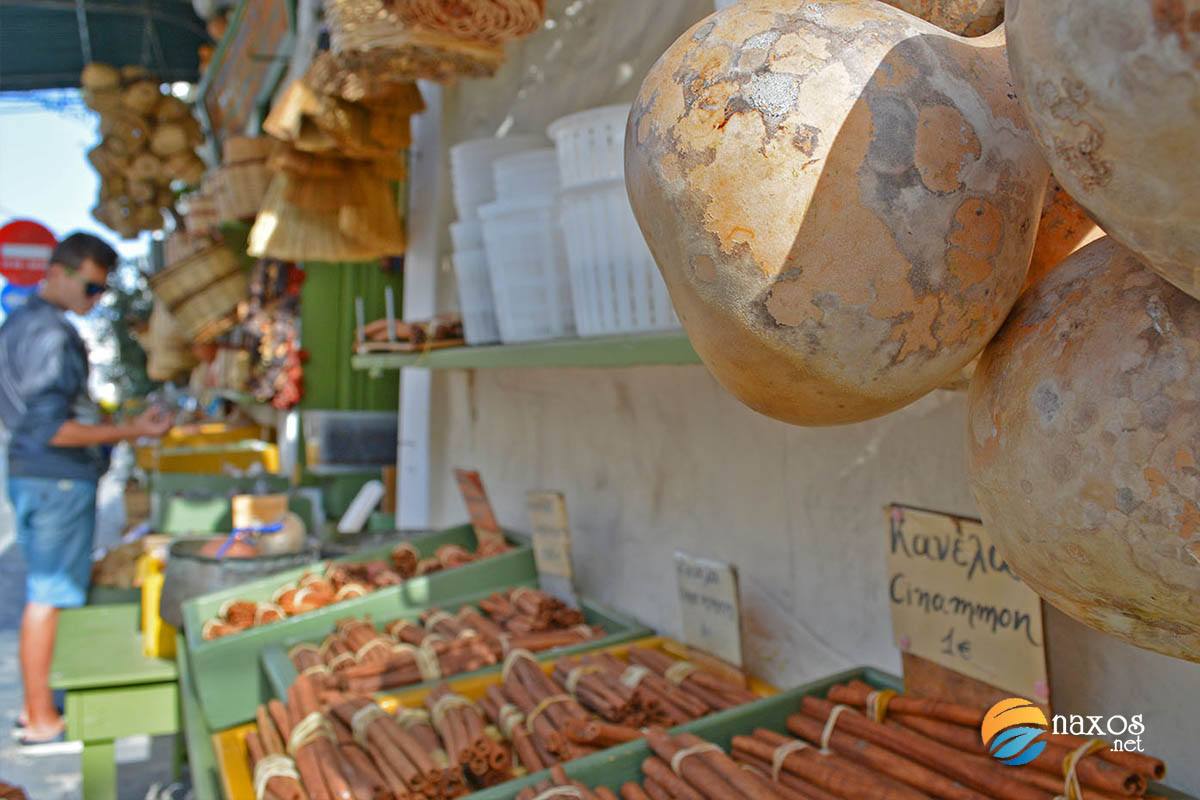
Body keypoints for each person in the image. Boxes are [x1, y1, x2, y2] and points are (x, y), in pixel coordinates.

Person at [0, 232, 173, 746]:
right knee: (51, 594)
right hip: (56, 477)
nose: (96, 300)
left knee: (50, 591)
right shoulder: (51, 336)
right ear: (60, 270)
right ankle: (40, 717)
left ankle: (42, 705)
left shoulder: (21, 325)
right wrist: (133, 430)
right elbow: (52, 428)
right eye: (93, 287)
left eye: (101, 291)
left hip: (37, 475)